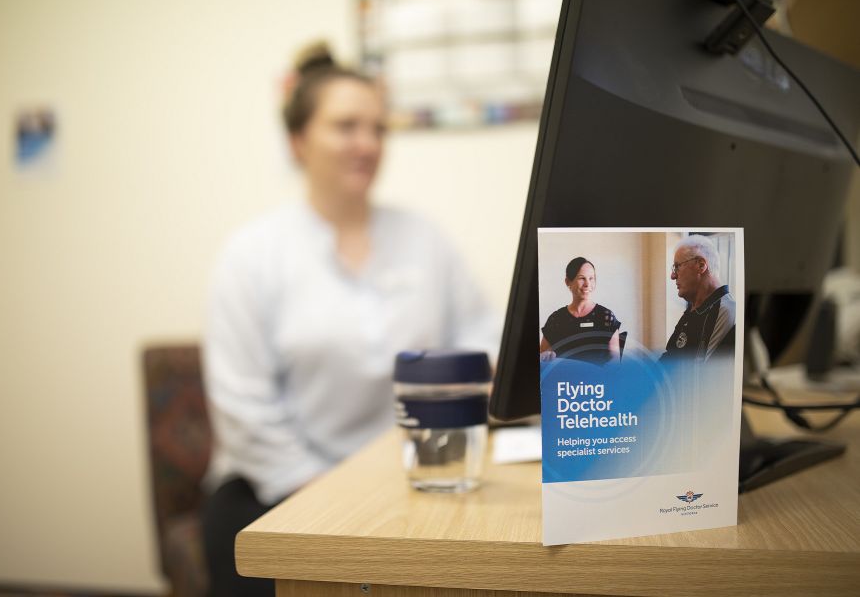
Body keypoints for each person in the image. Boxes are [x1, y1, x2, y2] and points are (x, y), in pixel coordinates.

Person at [199, 43, 497, 597]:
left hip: (411, 482)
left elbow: (483, 337)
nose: (368, 144)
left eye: (379, 129)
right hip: (274, 492)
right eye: (346, 126)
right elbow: (244, 410)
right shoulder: (252, 254)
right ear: (297, 141)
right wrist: (340, 497)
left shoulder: (423, 238)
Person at [660, 235, 736, 362]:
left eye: (677, 266)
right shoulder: (693, 309)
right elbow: (670, 356)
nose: (673, 275)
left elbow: (705, 376)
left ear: (701, 265)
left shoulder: (726, 310)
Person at [540, 257, 622, 365]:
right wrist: (545, 357)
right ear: (568, 282)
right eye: (582, 278)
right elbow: (542, 357)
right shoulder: (556, 319)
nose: (587, 284)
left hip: (597, 381)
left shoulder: (606, 317)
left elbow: (615, 363)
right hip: (564, 380)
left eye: (591, 278)